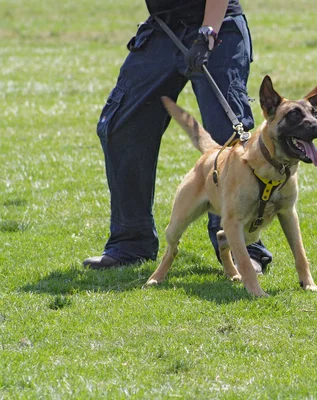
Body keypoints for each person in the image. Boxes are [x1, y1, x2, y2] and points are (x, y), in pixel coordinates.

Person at [83, 0, 272, 273]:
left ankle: (244, 249)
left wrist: (208, 31)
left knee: (229, 139)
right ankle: (131, 243)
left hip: (217, 25)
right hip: (163, 29)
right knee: (122, 126)